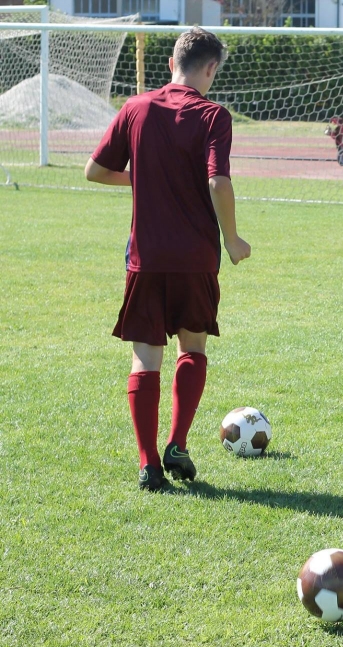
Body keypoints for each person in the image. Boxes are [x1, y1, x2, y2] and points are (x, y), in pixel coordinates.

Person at [85, 27, 250, 492]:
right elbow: (218, 181)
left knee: (145, 359)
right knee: (192, 348)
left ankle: (149, 463)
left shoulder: (135, 108)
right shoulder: (214, 115)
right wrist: (233, 238)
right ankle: (177, 443)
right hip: (196, 255)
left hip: (147, 255)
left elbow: (95, 171)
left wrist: (144, 177)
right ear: (211, 68)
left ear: (171, 64)